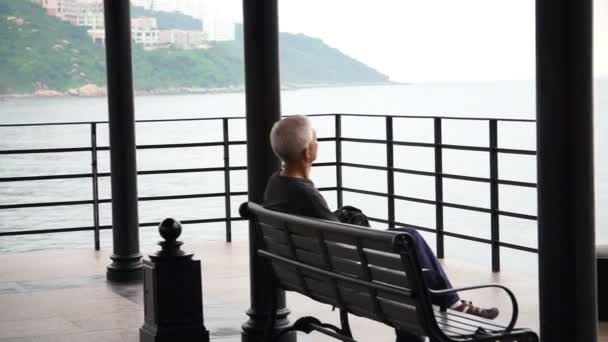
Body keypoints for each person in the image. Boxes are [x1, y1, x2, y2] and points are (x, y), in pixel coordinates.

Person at [263, 115, 499, 341]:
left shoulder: (276, 184)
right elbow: (344, 244)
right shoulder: (307, 195)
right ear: (308, 152)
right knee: (409, 238)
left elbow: (329, 234)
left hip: (307, 276)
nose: (317, 143)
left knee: (403, 266)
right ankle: (453, 303)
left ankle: (450, 304)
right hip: (344, 282)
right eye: (316, 139)